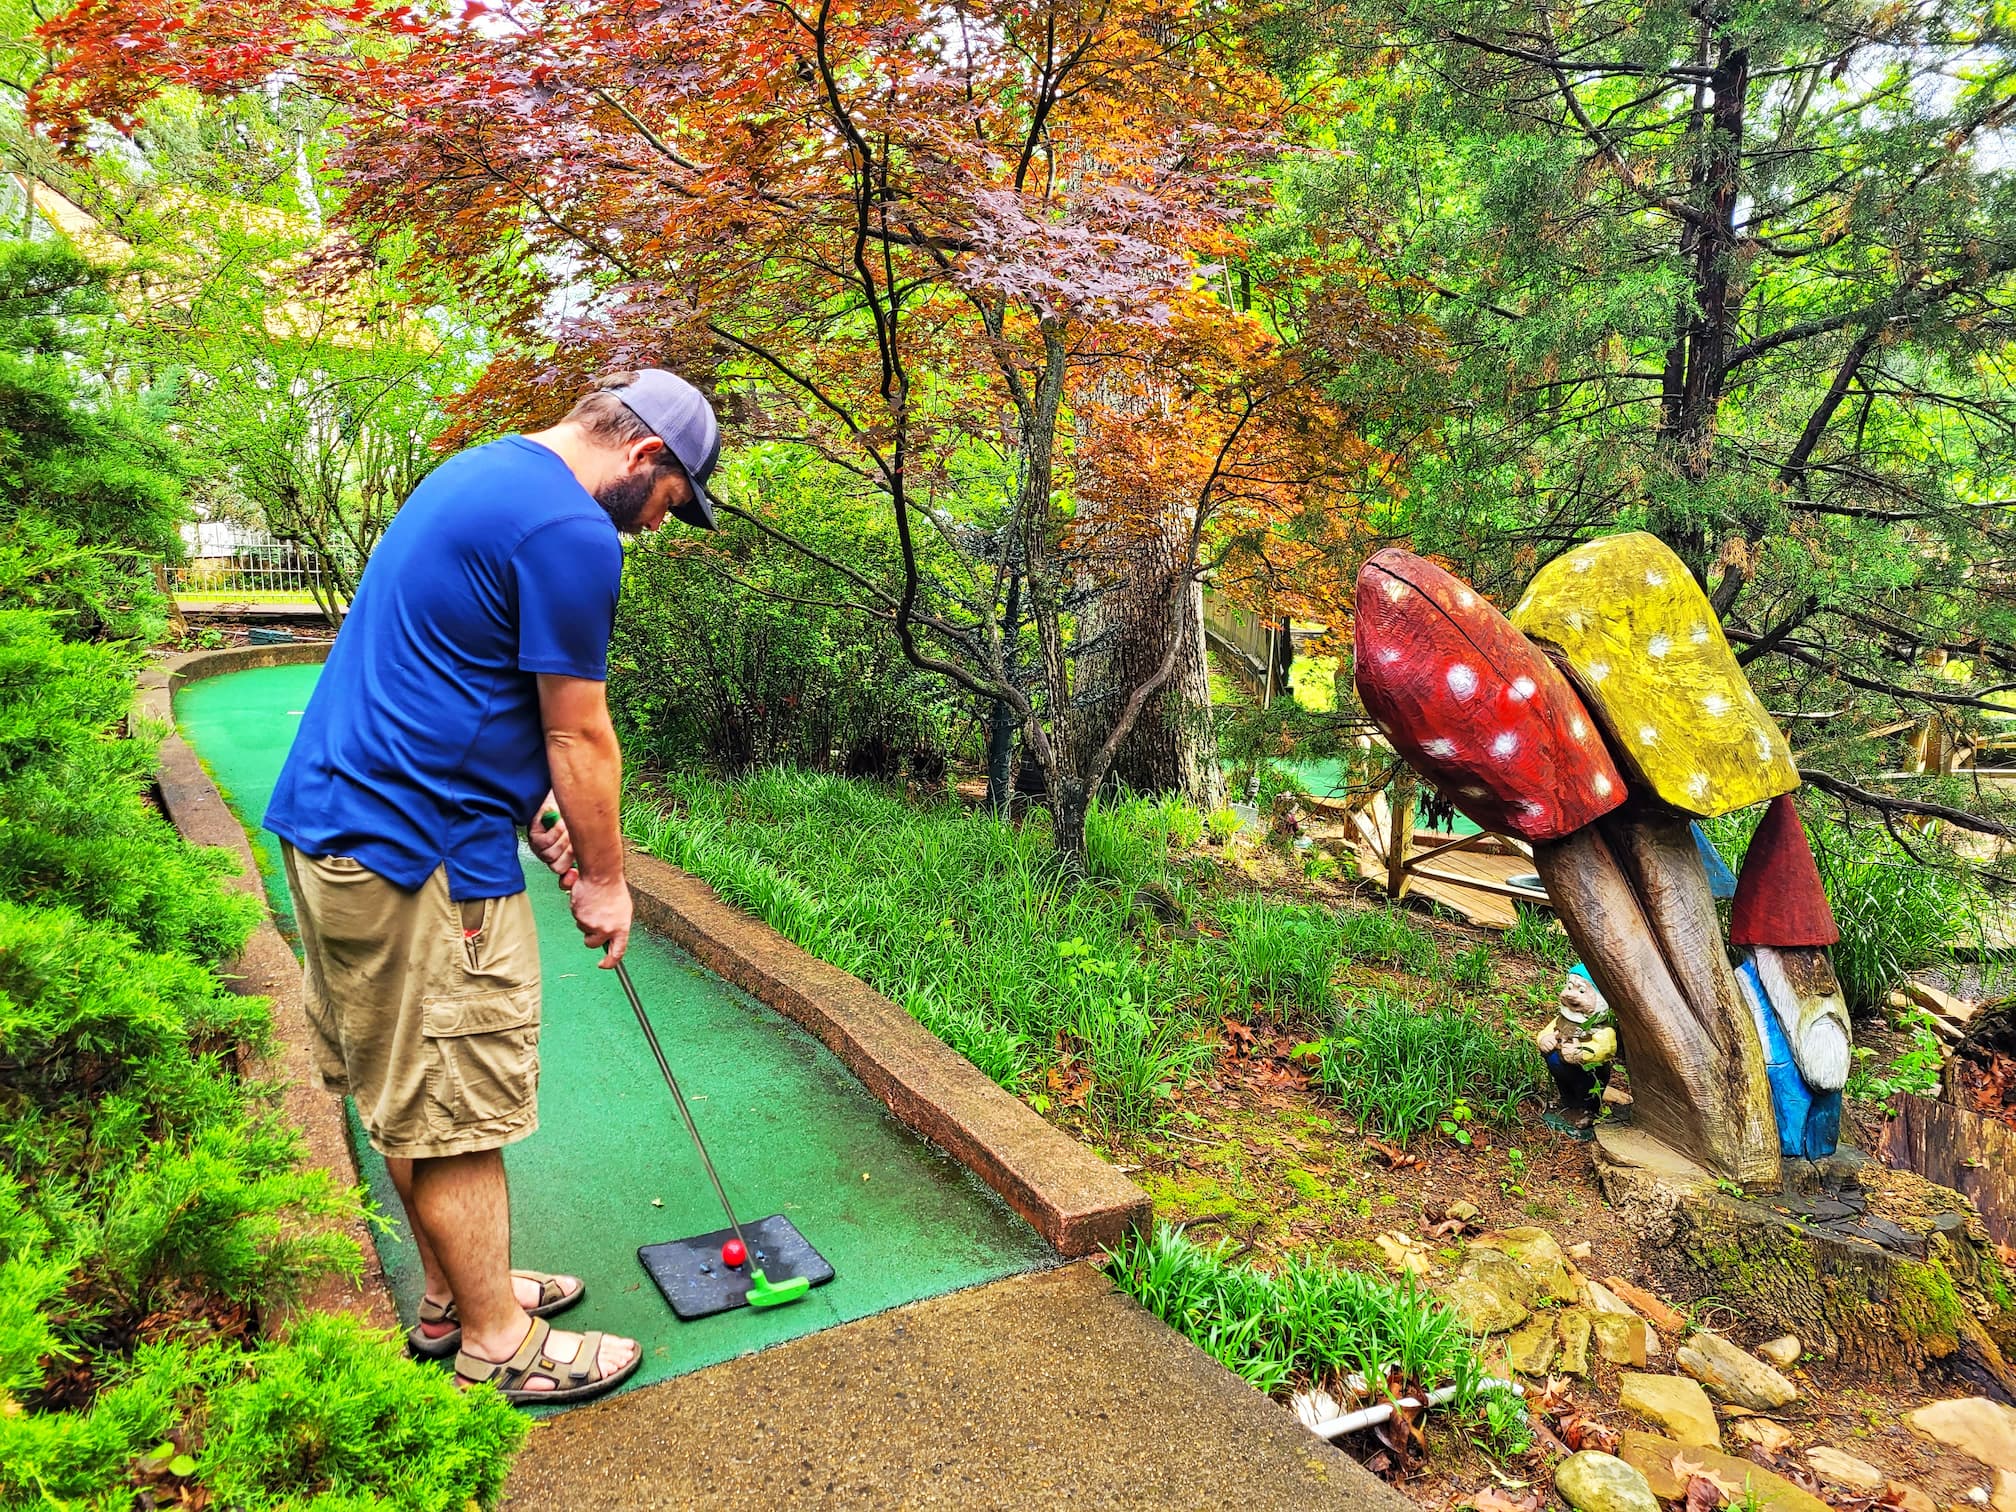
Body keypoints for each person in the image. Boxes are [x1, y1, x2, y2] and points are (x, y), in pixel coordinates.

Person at [264, 369, 721, 1405]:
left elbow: (458, 676)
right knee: (460, 1105)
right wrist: (607, 881)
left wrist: (535, 810)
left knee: (404, 1092)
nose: (660, 527)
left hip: (340, 826)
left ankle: (452, 1296)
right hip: (418, 855)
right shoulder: (573, 531)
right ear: (647, 457)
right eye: (672, 505)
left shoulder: (484, 471)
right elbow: (577, 728)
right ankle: (499, 1342)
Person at [1535, 963, 1618, 1139]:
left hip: (1589, 1073)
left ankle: (1587, 1112)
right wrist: (1544, 1039)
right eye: (1569, 987)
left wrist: (1582, 1053)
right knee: (1565, 1086)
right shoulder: (1561, 1021)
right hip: (1561, 1067)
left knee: (1588, 1092)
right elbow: (1547, 1031)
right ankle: (1566, 1103)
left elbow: (1607, 1048)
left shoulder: (1602, 1030)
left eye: (1581, 991)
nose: (1571, 995)